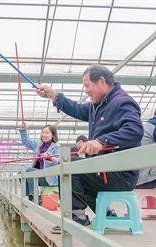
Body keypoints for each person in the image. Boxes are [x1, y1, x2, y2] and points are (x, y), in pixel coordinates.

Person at [36, 64, 143, 226]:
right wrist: (54, 95)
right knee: (71, 156)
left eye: (87, 85)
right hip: (103, 169)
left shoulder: (122, 102)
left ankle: (77, 217)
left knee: (70, 166)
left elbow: (135, 130)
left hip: (119, 173)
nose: (85, 90)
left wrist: (101, 142)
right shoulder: (98, 105)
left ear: (101, 81)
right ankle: (106, 215)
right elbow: (77, 109)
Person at [18, 121, 60, 199]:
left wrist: (50, 158)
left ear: (53, 135)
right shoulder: (39, 145)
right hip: (41, 175)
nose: (44, 135)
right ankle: (30, 196)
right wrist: (24, 130)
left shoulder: (57, 147)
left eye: (47, 133)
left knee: (29, 170)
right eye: (42, 132)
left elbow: (59, 161)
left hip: (49, 178)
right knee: (21, 173)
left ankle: (35, 196)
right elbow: (26, 141)